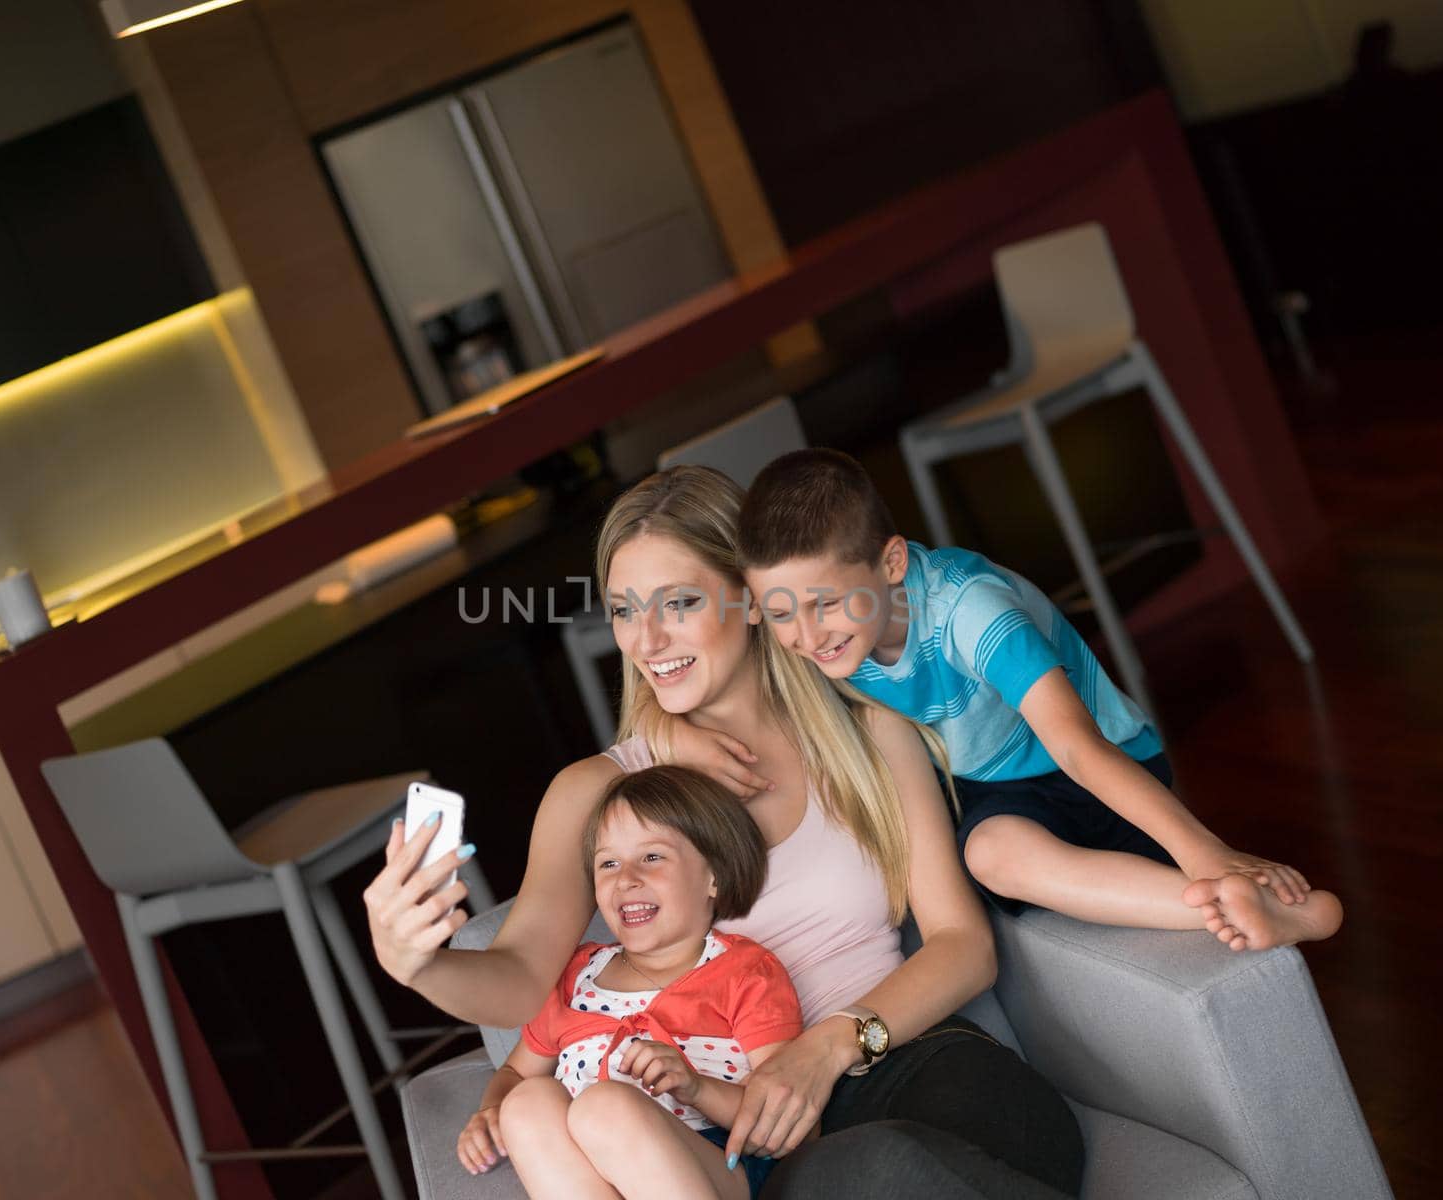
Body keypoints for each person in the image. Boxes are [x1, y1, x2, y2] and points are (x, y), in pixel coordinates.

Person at [366, 464, 1083, 1199]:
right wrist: (416, 965)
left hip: (909, 1069)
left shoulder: (868, 731)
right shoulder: (595, 793)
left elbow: (964, 949)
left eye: (678, 602)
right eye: (623, 610)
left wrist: (826, 1046)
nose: (646, 640)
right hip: (745, 1133)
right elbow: (519, 978)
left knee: (899, 1161)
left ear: (748, 597)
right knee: (856, 1175)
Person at [701, 448, 1341, 953]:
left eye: (826, 605)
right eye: (781, 613)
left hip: (1101, 766)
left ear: (891, 563)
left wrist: (1206, 851)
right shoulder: (818, 639)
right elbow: (732, 695)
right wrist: (687, 740)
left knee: (1063, 817)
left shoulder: (970, 610)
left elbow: (1077, 746)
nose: (806, 637)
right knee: (989, 855)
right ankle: (1229, 908)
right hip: (1002, 794)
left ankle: (1253, 895)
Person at [457, 765, 803, 1199]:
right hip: (598, 1180)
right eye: (608, 863)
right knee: (527, 1103)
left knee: (603, 1107)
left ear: (713, 875)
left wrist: (697, 1089)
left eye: (652, 857)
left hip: (715, 1165)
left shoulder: (744, 971)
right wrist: (492, 1110)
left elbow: (781, 1111)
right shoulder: (575, 979)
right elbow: (514, 1071)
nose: (626, 878)